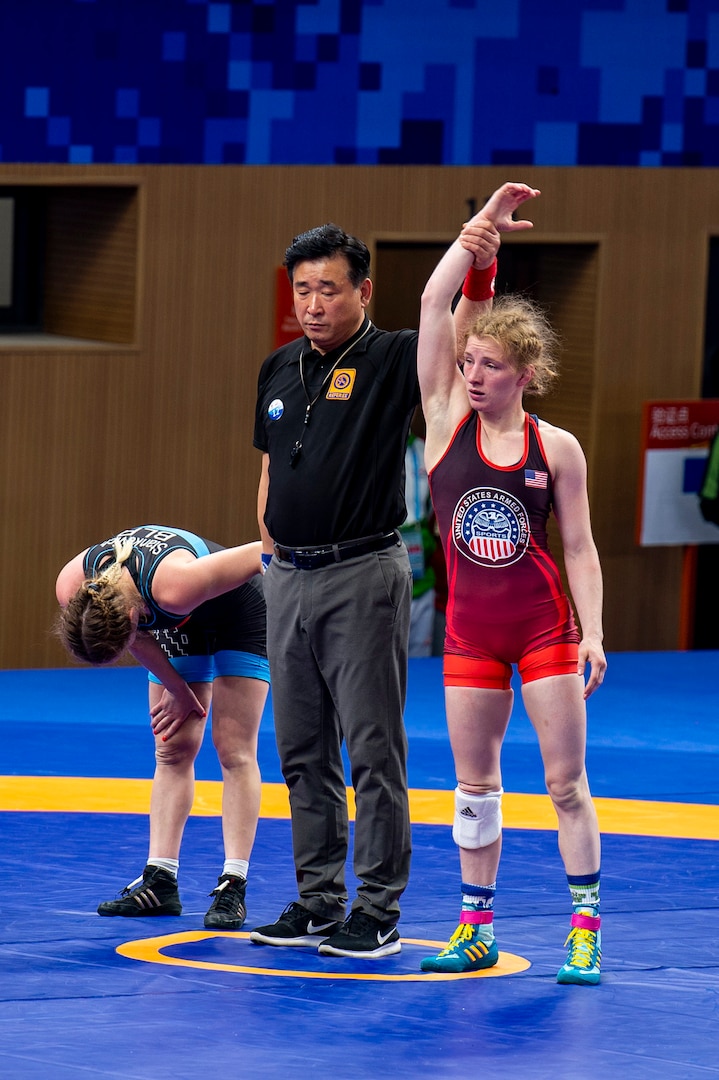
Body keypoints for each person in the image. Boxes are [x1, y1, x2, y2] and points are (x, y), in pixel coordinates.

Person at [250, 208, 502, 959]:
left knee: (370, 748)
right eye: (302, 290)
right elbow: (268, 467)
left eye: (328, 289)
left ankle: (379, 907)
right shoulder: (276, 367)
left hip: (362, 571)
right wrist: (269, 548)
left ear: (363, 290)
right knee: (300, 751)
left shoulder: (391, 357)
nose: (313, 304)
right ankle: (318, 898)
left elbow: (457, 328)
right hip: (288, 578)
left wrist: (476, 260)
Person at [416, 183, 607, 985]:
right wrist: (474, 238)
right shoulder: (442, 422)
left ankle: (584, 931)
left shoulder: (556, 447)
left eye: (489, 365)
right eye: (467, 363)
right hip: (470, 636)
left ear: (525, 372)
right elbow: (433, 302)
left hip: (542, 633)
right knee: (473, 788)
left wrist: (592, 631)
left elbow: (580, 548)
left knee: (564, 783)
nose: (472, 374)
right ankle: (475, 928)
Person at [55, 524, 269, 930]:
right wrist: (177, 687)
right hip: (173, 621)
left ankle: (233, 884)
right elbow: (137, 639)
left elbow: (264, 552)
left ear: (134, 617)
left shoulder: (175, 585)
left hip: (239, 612)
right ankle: (160, 880)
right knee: (172, 746)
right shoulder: (72, 586)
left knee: (233, 747)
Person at [400, 426, 437, 657]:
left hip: (422, 580)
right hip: (380, 584)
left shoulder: (423, 449)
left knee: (419, 664)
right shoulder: (364, 445)